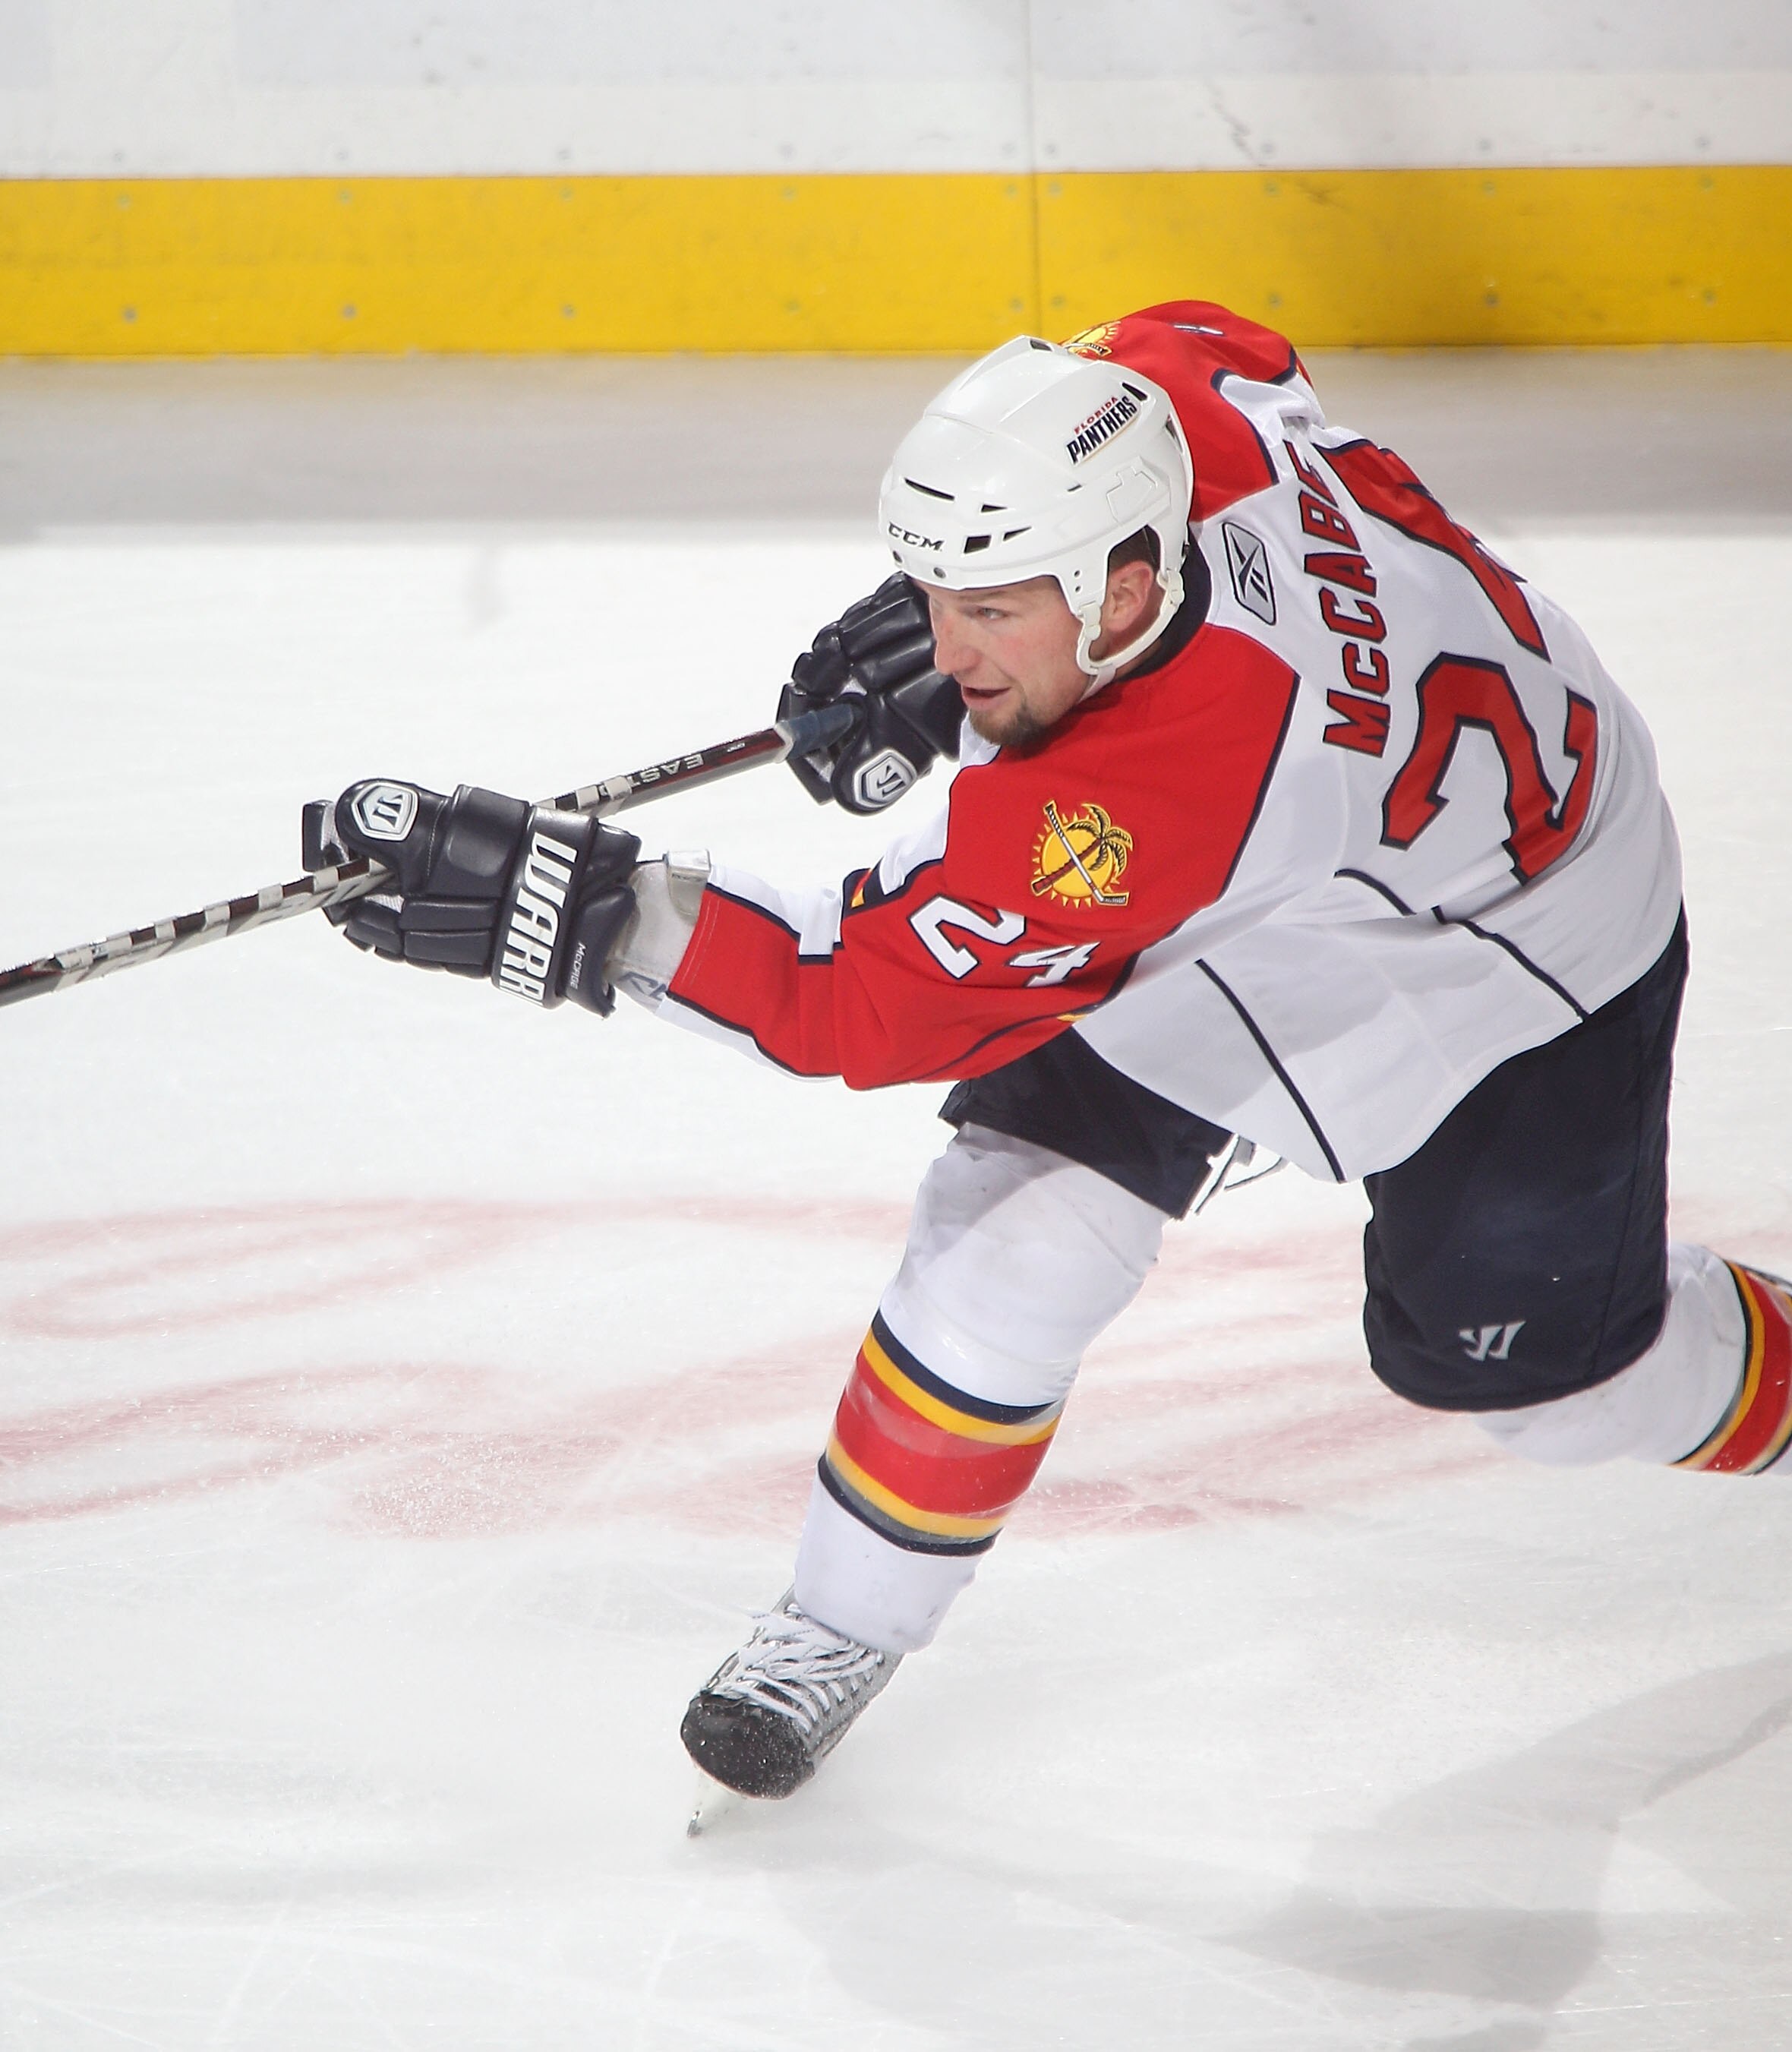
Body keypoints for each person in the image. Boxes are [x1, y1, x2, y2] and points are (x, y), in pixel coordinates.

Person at [302, 301, 1788, 1806]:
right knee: (1014, 1236)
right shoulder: (1163, 409)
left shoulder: (1135, 809)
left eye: (992, 610)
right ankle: (843, 1617)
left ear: (1126, 586)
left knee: (1553, 1388)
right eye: (939, 594)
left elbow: (842, 996)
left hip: (1528, 955)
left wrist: (588, 911)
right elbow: (1218, 339)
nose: (949, 645)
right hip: (1341, 849)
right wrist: (971, 621)